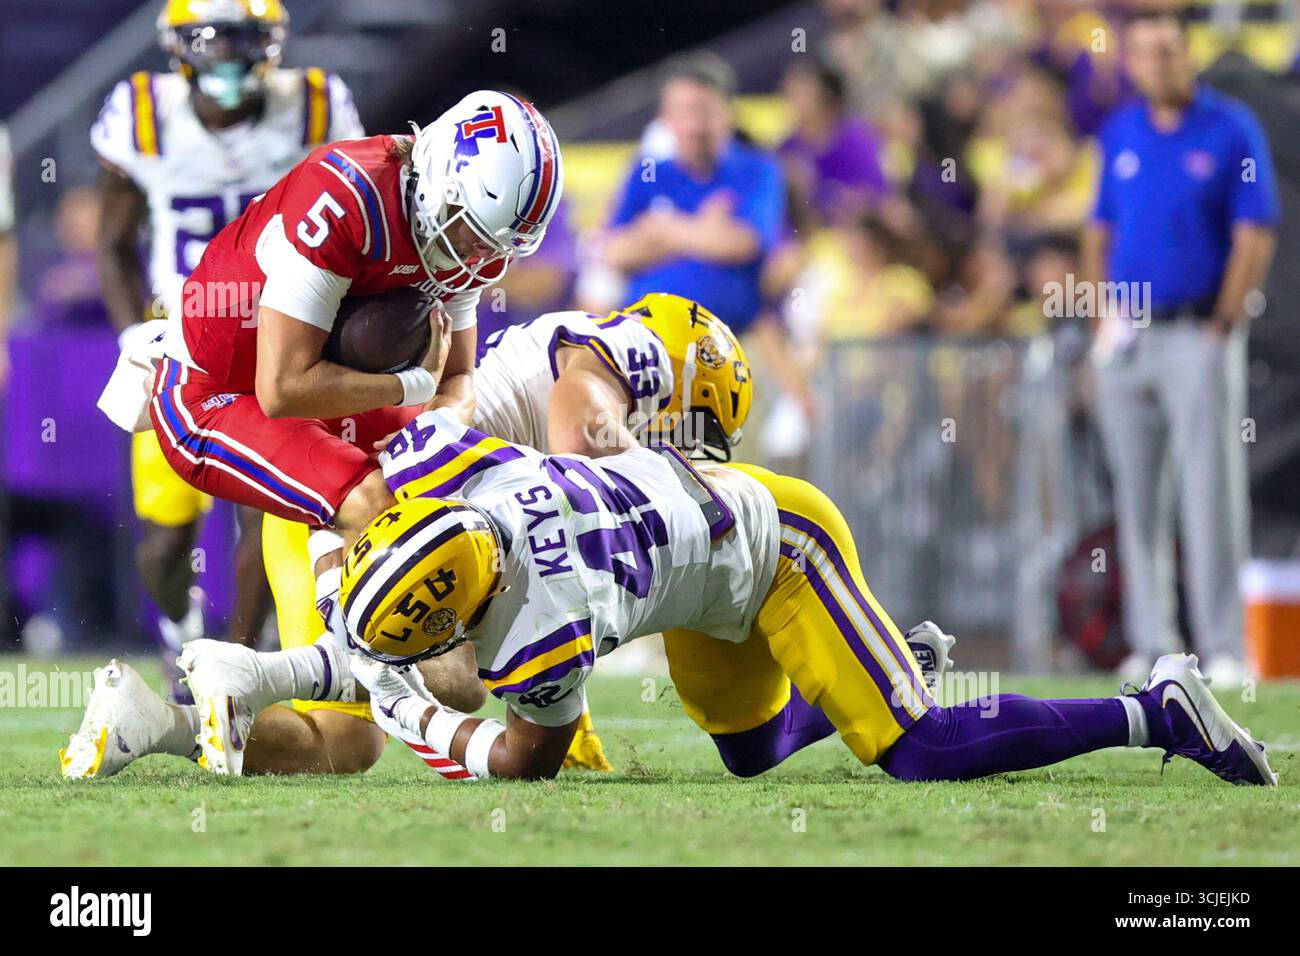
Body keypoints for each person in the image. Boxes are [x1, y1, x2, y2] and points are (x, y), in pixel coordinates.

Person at [60, 295, 956, 778]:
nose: (689, 455)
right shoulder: (613, 363)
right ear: (691, 385)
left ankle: (166, 721)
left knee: (368, 729)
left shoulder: (566, 362)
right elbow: (579, 482)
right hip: (364, 505)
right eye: (696, 430)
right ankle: (249, 673)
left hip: (353, 500)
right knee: (444, 680)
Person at [344, 405, 1271, 786]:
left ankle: (1157, 712)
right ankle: (894, 665)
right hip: (697, 574)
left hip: (776, 542)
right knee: (750, 757)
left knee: (917, 750)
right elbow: (391, 471)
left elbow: (521, 765)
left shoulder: (540, 633)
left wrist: (415, 720)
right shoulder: (476, 471)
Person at [92, 0, 363, 694]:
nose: (226, 56)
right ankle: (181, 628)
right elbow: (116, 243)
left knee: (267, 512)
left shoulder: (316, 105)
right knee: (164, 537)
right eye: (209, 41)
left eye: (243, 39)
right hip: (178, 340)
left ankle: (238, 664)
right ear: (177, 46)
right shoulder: (143, 116)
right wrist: (132, 333)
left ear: (271, 43)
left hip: (279, 333)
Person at [1081, 9, 1279, 685]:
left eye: (1168, 52)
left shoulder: (1230, 128)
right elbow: (1099, 227)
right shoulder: (1121, 132)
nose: (1157, 65)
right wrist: (1099, 311)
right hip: (1130, 335)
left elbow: (1257, 229)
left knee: (1209, 491)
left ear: (1187, 54)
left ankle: (1225, 646)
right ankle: (1153, 641)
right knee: (1136, 498)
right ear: (1130, 62)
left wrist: (1223, 320)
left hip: (1199, 330)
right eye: (1144, 54)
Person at [600, 54, 784, 339]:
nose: (694, 126)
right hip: (645, 339)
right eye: (683, 112)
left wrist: (660, 228)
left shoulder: (757, 169)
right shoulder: (647, 172)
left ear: (728, 113)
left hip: (728, 341)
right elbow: (614, 253)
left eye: (703, 112)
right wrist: (703, 229)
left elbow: (744, 243)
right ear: (665, 117)